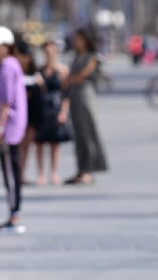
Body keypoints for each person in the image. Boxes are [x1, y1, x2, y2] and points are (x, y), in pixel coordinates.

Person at [0, 26, 28, 234]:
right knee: (11, 171)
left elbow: (6, 101)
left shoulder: (7, 67)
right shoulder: (12, 64)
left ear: (6, 46)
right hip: (11, 126)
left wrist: (0, 129)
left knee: (10, 173)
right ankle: (14, 213)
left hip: (9, 128)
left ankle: (15, 215)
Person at [64, 27, 108, 185]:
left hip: (85, 96)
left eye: (78, 39)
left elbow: (84, 75)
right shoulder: (75, 56)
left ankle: (89, 169)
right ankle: (80, 168)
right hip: (74, 96)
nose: (76, 42)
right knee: (77, 134)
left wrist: (70, 79)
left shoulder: (93, 57)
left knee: (88, 132)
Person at [33, 41, 71, 185]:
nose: (49, 54)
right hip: (41, 107)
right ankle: (41, 173)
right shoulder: (39, 70)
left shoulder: (62, 70)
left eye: (51, 51)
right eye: (46, 52)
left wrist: (64, 111)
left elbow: (66, 93)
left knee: (55, 143)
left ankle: (54, 172)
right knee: (40, 142)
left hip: (56, 106)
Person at [16, 38, 44, 185]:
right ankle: (18, 173)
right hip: (18, 113)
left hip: (32, 112)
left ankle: (22, 173)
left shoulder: (34, 71)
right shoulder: (13, 70)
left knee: (27, 145)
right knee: (19, 145)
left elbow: (40, 90)